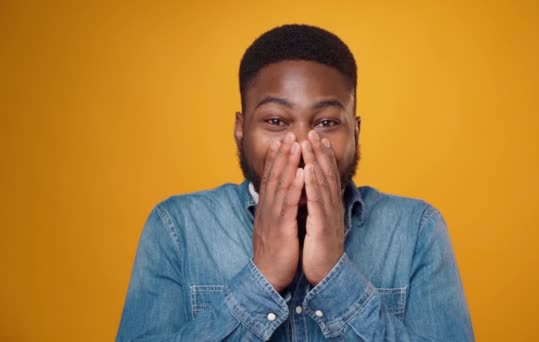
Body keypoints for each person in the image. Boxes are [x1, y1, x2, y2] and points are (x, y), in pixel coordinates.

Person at [117, 24, 474, 341]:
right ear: (241, 131)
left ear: (356, 132)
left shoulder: (416, 230)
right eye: (275, 121)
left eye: (326, 123)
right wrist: (261, 278)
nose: (303, 146)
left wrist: (337, 279)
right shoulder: (176, 228)